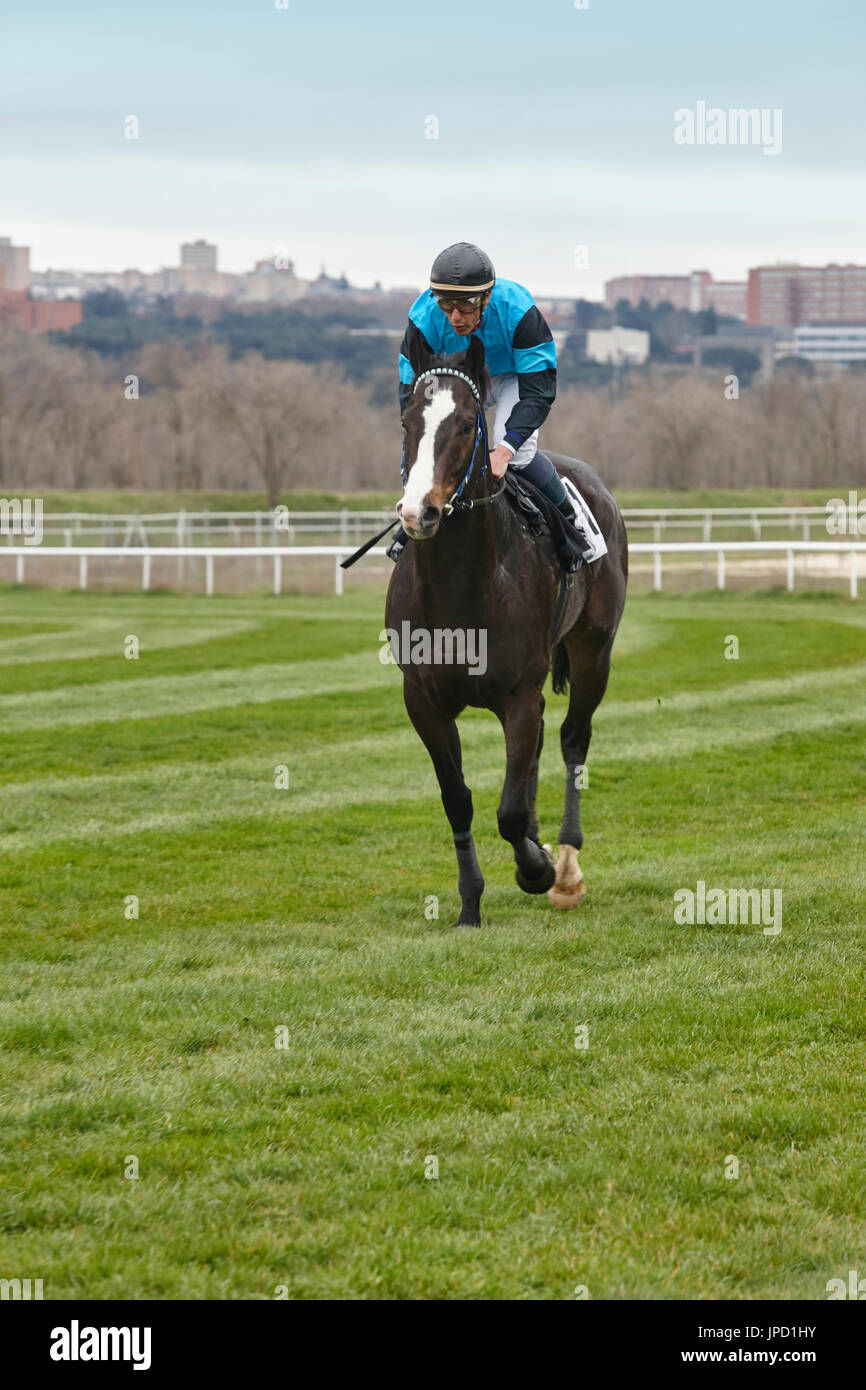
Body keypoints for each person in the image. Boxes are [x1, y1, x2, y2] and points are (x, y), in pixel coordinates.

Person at [389, 241, 591, 561]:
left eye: (466, 305)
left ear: (486, 297)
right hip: (458, 381)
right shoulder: (423, 317)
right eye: (445, 303)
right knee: (438, 442)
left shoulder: (518, 311)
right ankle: (416, 512)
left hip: (513, 377)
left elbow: (539, 390)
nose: (455, 317)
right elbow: (409, 390)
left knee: (517, 452)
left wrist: (505, 449)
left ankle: (571, 520)